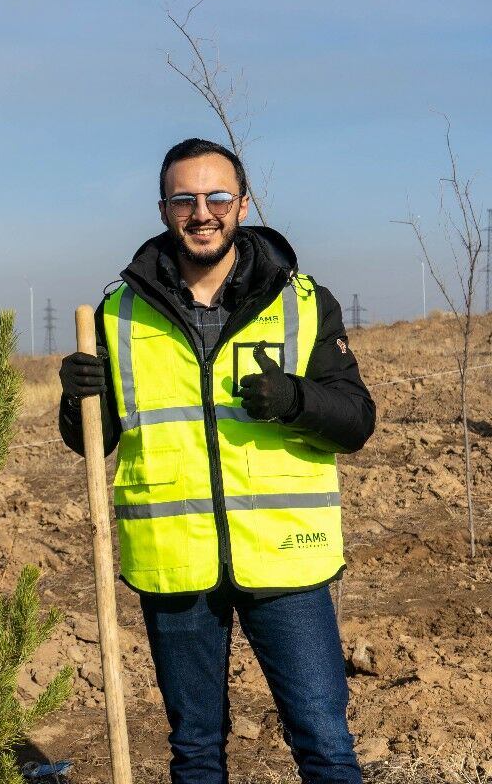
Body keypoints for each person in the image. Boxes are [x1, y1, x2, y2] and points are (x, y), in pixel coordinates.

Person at [58, 138, 375, 784]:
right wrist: (76, 398)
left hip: (286, 556)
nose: (202, 212)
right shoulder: (120, 314)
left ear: (243, 203)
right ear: (164, 208)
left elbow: (356, 421)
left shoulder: (304, 301)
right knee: (195, 751)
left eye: (217, 197)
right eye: (185, 199)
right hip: (176, 565)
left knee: (323, 741)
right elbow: (92, 441)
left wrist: (295, 399)